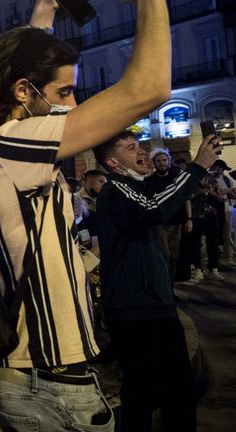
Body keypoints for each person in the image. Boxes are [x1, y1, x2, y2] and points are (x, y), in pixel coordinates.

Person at [0, 0, 173, 431]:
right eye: (65, 93)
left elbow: (26, 84)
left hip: (25, 374)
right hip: (50, 384)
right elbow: (150, 89)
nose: (73, 108)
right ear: (24, 93)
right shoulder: (14, 145)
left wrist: (43, 11)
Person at [92, 132, 220, 432]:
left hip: (158, 305)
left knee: (179, 388)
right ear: (112, 161)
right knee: (143, 392)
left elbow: (158, 198)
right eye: (131, 147)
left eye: (141, 146)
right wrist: (197, 166)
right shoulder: (116, 190)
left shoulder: (137, 187)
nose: (143, 151)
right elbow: (152, 208)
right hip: (133, 308)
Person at [145, 149, 192, 283]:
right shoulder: (150, 181)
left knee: (174, 256)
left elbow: (186, 199)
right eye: (158, 161)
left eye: (164, 160)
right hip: (160, 223)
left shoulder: (176, 178)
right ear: (154, 163)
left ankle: (170, 288)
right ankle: (164, 288)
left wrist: (189, 219)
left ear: (169, 161)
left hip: (177, 222)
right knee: (165, 254)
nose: (162, 163)